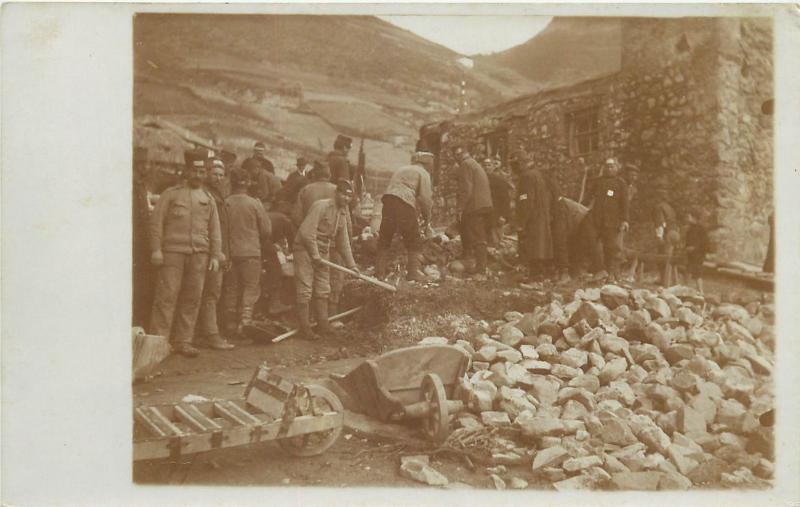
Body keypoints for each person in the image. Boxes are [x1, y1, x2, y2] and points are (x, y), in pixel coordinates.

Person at [149, 149, 222, 358]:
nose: (199, 175)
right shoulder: (170, 194)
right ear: (187, 171)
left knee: (192, 299)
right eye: (195, 171)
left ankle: (183, 341)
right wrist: (156, 250)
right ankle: (158, 344)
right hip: (172, 253)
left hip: (200, 254)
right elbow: (156, 224)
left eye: (202, 172)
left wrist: (216, 255)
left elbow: (214, 229)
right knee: (166, 297)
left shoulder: (208, 198)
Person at [293, 180, 358, 340]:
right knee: (305, 288)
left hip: (323, 251)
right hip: (305, 249)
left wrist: (352, 265)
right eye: (343, 194)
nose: (346, 199)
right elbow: (306, 233)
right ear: (337, 193)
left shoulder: (342, 212)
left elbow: (343, 242)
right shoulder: (321, 206)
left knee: (323, 287)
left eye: (349, 196)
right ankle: (304, 328)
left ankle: (323, 325)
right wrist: (314, 254)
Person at [223, 168, 272, 336]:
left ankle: (229, 323)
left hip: (230, 252)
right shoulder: (254, 203)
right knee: (250, 288)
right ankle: (244, 324)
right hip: (251, 252)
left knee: (231, 288)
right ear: (248, 183)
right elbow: (266, 230)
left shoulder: (225, 202)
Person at [375, 151, 434, 281]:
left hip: (389, 200)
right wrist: (427, 220)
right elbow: (426, 199)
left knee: (385, 236)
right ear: (427, 164)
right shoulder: (423, 173)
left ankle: (379, 272)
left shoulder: (402, 169)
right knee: (413, 238)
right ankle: (413, 273)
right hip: (404, 202)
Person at [196, 159, 235, 350]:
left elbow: (224, 229)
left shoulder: (218, 194)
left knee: (212, 293)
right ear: (207, 173)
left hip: (219, 251)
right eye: (215, 174)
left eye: (221, 174)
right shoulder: (206, 195)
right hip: (210, 251)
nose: (218, 178)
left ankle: (208, 333)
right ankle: (211, 335)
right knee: (210, 292)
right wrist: (217, 253)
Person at [510, 151, 556, 280]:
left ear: (520, 164)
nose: (515, 170)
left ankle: (536, 277)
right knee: (540, 248)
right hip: (541, 216)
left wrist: (521, 222)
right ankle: (541, 276)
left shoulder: (527, 177)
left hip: (533, 218)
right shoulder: (537, 174)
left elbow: (526, 200)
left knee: (533, 248)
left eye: (515, 165)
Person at [585, 158, 629, 281]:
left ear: (617, 168)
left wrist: (624, 220)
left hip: (612, 220)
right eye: (607, 166)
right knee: (591, 241)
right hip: (596, 219)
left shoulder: (621, 183)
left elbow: (624, 203)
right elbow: (588, 196)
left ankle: (611, 273)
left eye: (612, 166)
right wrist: (582, 207)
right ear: (604, 168)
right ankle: (599, 270)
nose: (609, 169)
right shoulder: (598, 182)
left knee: (610, 247)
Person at [454, 146, 493, 276]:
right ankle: (474, 263)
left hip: (475, 206)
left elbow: (466, 189)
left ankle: (480, 271)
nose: (456, 160)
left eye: (456, 157)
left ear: (458, 155)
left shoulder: (465, 165)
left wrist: (460, 208)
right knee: (475, 234)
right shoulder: (474, 163)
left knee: (478, 237)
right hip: (484, 205)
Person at [133, 147, 154, 328]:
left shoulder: (141, 183)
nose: (149, 166)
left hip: (141, 241)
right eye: (146, 163)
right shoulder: (134, 184)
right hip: (136, 242)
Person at [262, 210, 296, 315]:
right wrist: (290, 251)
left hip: (252, 241)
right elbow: (292, 240)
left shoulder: (275, 217)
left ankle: (266, 296)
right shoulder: (286, 222)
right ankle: (274, 304)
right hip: (261, 242)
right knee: (275, 270)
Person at [483, 157, 513, 247]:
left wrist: (504, 215)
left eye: (489, 165)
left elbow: (505, 199)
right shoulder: (480, 180)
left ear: (493, 166)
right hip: (485, 214)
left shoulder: (500, 180)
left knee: (497, 241)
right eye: (484, 165)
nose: (487, 167)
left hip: (497, 215)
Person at [243, 142, 282, 209]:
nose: (259, 153)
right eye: (257, 151)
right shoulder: (247, 162)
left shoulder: (268, 164)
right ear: (254, 151)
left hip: (264, 193)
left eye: (261, 151)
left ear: (264, 152)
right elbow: (242, 175)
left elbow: (270, 184)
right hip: (249, 189)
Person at [653, 198, 680, 286]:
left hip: (668, 233)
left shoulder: (658, 207)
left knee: (664, 258)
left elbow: (661, 223)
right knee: (670, 257)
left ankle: (665, 282)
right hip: (676, 232)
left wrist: (659, 237)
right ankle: (673, 281)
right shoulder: (670, 208)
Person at [685, 209, 709, 293]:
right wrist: (687, 247)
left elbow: (705, 242)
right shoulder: (690, 229)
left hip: (699, 254)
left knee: (697, 273)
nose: (687, 218)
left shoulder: (701, 229)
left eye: (688, 216)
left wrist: (694, 248)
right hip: (691, 255)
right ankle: (685, 289)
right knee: (688, 271)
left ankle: (701, 291)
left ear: (693, 217)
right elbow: (688, 241)